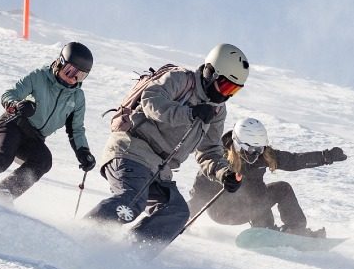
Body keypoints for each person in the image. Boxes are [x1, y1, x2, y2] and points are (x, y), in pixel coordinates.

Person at [88, 43, 248, 247]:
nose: (226, 95)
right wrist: (190, 113)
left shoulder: (217, 111)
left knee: (177, 213)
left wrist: (223, 173)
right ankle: (84, 238)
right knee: (131, 200)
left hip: (159, 170)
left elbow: (209, 151)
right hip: (132, 150)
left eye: (234, 90)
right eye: (226, 86)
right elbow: (151, 100)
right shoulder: (180, 79)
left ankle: (130, 255)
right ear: (210, 73)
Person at [0, 42, 97, 199]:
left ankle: (2, 195)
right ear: (60, 63)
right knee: (2, 158)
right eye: (70, 71)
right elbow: (10, 94)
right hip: (13, 124)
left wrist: (83, 152)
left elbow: (76, 130)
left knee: (43, 161)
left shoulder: (77, 97)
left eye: (80, 75)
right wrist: (16, 106)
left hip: (34, 138)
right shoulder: (39, 77)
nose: (73, 79)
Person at [190, 117, 345, 237]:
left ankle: (297, 230)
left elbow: (293, 160)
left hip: (251, 205)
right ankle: (266, 229)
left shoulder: (263, 155)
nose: (254, 154)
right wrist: (185, 217)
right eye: (249, 149)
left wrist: (325, 156)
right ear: (237, 144)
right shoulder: (220, 160)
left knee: (282, 188)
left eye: (258, 149)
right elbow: (200, 189)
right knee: (255, 194)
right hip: (223, 211)